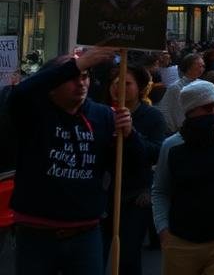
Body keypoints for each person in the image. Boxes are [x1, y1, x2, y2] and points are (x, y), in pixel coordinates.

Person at [9, 47, 140, 275]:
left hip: (85, 234)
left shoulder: (104, 115)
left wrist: (130, 137)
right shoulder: (33, 111)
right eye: (71, 77)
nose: (81, 83)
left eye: (85, 76)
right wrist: (78, 63)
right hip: (36, 233)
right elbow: (21, 93)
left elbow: (134, 165)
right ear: (51, 86)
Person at [152, 80, 214, 275]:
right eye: (208, 107)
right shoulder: (172, 146)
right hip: (181, 241)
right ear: (191, 110)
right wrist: (163, 229)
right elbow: (160, 189)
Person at [103, 65, 167, 275]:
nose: (118, 86)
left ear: (140, 88)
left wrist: (131, 134)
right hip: (102, 196)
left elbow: (155, 153)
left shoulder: (153, 117)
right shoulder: (101, 114)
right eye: (114, 81)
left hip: (135, 196)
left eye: (126, 83)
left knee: (128, 257)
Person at [158, 53, 205, 133]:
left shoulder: (204, 84)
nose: (202, 69)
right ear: (189, 68)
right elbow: (171, 112)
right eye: (199, 66)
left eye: (203, 66)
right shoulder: (175, 88)